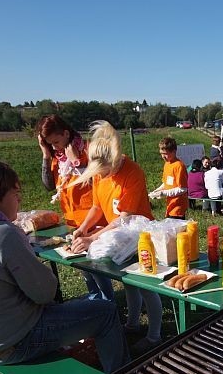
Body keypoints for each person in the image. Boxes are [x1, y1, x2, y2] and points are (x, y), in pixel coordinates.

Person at [0, 156, 128, 372]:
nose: (19, 201)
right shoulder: (0, 234)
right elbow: (46, 292)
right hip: (7, 343)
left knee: (80, 305)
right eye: (15, 194)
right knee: (106, 311)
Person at [69, 121, 164, 351]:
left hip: (141, 237)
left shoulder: (133, 173)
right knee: (128, 283)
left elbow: (124, 217)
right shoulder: (100, 175)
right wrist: (83, 228)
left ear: (114, 160)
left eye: (103, 171)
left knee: (145, 285)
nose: (100, 175)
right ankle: (132, 324)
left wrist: (92, 238)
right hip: (120, 239)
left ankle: (155, 336)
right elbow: (97, 208)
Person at [36, 114, 113, 301]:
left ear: (65, 133)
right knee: (82, 265)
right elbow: (48, 185)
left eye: (56, 141)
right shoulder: (59, 157)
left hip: (92, 218)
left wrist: (77, 162)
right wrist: (46, 155)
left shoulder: (87, 149)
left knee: (96, 265)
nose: (54, 147)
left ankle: (107, 301)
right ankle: (95, 297)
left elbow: (99, 179)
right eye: (50, 144)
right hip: (72, 219)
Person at [149, 137, 188, 219]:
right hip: (170, 205)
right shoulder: (167, 164)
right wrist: (157, 190)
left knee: (177, 231)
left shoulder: (179, 166)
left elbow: (183, 189)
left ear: (174, 151)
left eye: (165, 154)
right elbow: (166, 183)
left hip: (178, 207)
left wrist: (164, 193)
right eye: (161, 153)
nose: (163, 156)